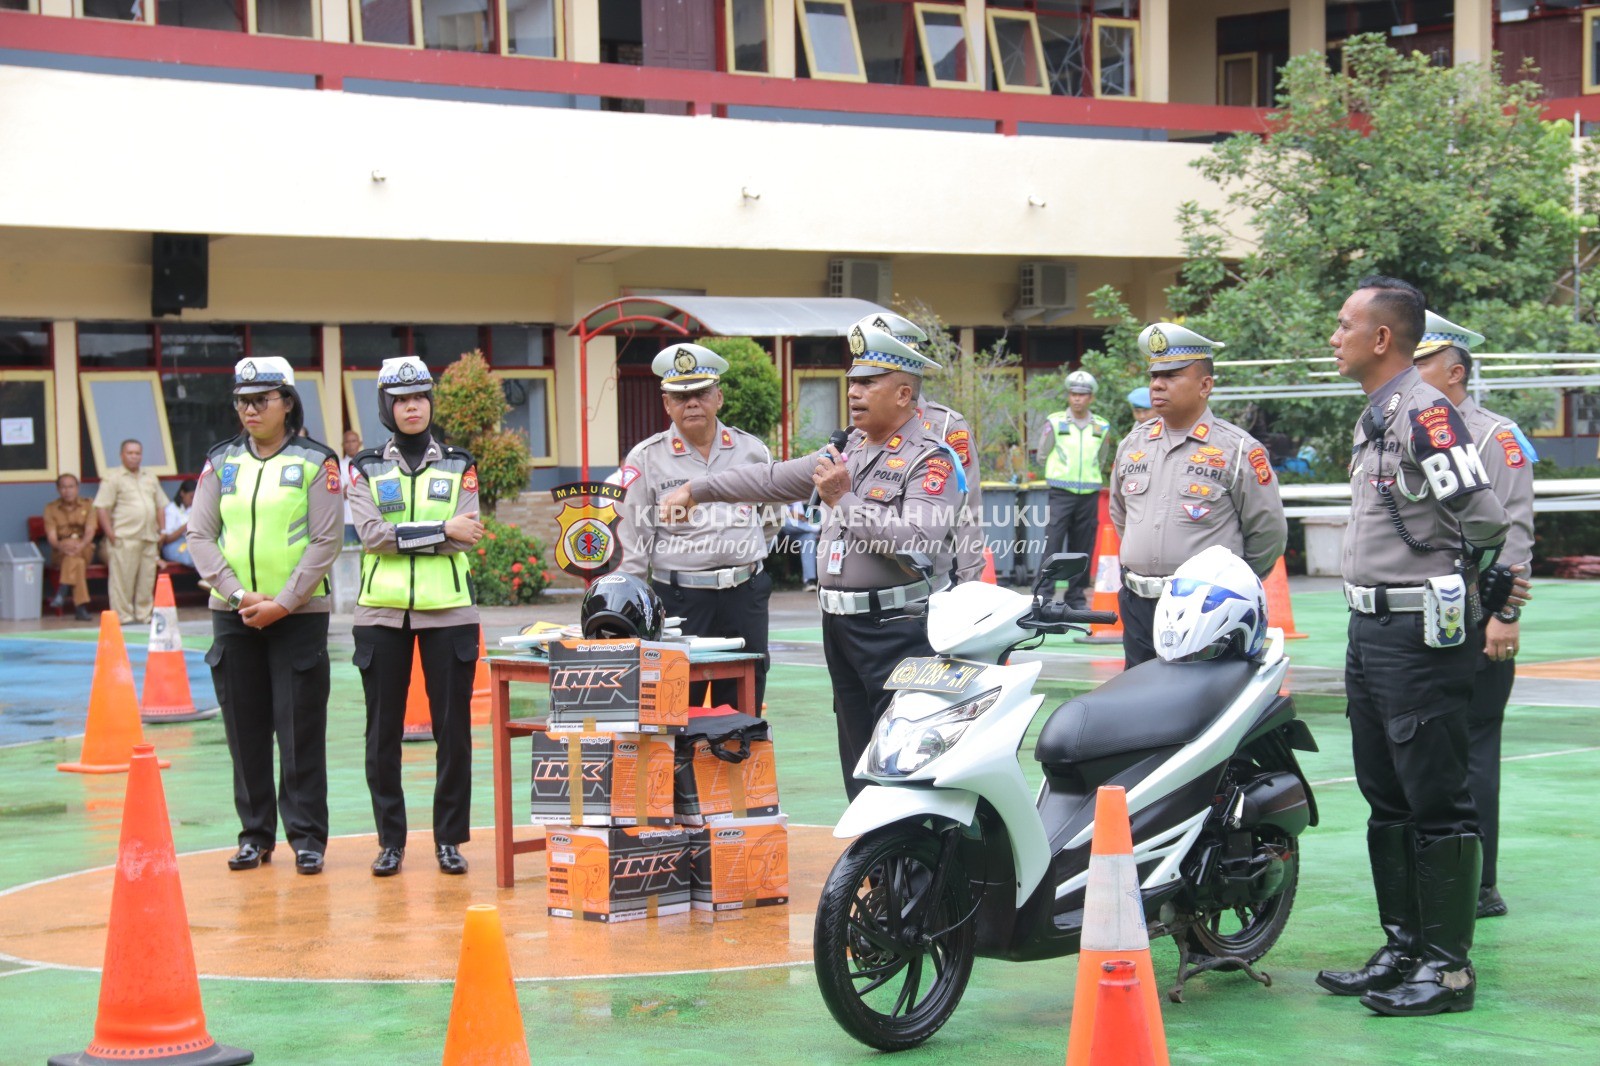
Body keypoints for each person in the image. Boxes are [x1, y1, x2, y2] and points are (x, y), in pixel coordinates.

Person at [1315, 277, 1509, 1018]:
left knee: (1436, 798)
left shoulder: (1425, 414)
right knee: (1387, 797)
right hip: (1372, 628)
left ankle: (1448, 970)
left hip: (1419, 632)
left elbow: (1483, 517)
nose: (1334, 336)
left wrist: (1458, 576)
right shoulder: (1378, 416)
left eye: (1344, 324)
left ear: (1381, 338)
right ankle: (1403, 947)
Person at [659, 323, 961, 797]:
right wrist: (698, 489)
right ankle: (874, 868)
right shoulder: (851, 448)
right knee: (857, 757)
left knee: (901, 757)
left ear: (904, 393)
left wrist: (843, 499)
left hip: (898, 629)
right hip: (842, 630)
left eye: (868, 383)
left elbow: (916, 541)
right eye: (852, 383)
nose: (853, 392)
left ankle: (915, 868)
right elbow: (772, 478)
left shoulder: (932, 459)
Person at [188, 357, 341, 876]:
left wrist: (282, 602)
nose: (249, 410)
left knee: (299, 730)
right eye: (241, 401)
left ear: (288, 402)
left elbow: (326, 541)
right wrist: (237, 596)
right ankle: (255, 835)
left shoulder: (316, 462)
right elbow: (199, 535)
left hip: (297, 615)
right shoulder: (220, 461)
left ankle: (307, 838)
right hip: (234, 615)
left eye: (261, 400)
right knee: (245, 730)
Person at [1411, 310, 1534, 921]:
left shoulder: (1494, 437)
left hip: (1478, 610)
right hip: (1420, 613)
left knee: (1476, 748)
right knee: (1423, 748)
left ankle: (1479, 882)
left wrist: (1505, 613)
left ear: (1454, 372)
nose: (1409, 372)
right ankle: (1428, 869)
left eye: (1422, 362)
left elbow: (1513, 533)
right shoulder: (1402, 426)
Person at [348, 356, 485, 878]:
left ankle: (449, 840)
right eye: (402, 399)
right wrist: (439, 532)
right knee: (381, 735)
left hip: (448, 613)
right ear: (387, 405)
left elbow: (468, 530)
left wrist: (413, 536)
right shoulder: (364, 466)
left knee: (453, 734)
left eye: (421, 397)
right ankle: (391, 842)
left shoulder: (459, 462)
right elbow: (370, 536)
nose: (413, 407)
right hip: (380, 616)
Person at [1108, 323, 1286, 668]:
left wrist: (1230, 588)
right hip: (1138, 606)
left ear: (1205, 385)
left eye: (1172, 375)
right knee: (1139, 709)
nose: (1157, 384)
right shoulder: (1133, 445)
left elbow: (1269, 533)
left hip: (1207, 609)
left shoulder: (1237, 450)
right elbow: (1122, 516)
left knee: (1198, 711)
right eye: (1155, 375)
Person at [614, 343, 773, 710]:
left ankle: (733, 767)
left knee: (742, 706)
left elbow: (770, 519)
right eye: (681, 396)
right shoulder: (646, 458)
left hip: (744, 596)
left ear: (718, 396)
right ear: (666, 404)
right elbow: (632, 540)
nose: (692, 404)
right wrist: (629, 609)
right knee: (675, 708)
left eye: (700, 393)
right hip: (679, 601)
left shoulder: (753, 452)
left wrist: (742, 557)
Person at [863, 312, 986, 585]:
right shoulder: (862, 429)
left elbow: (967, 511)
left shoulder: (945, 427)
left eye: (876, 375)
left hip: (929, 578)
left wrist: (970, 583)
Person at [1035, 369, 1110, 607]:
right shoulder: (1055, 422)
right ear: (1068, 396)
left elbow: (1103, 457)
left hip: (1089, 493)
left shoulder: (1102, 426)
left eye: (1083, 394)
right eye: (1073, 394)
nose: (1077, 398)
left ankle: (1076, 596)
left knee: (1083, 547)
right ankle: (1043, 594)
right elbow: (1042, 454)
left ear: (1091, 398)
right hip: (1060, 492)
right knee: (1053, 544)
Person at [94, 438, 168, 625]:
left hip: (149, 537)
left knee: (147, 579)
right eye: (130, 453)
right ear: (121, 455)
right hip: (124, 537)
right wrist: (110, 533)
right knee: (122, 581)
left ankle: (145, 615)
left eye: (137, 453)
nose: (134, 457)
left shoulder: (150, 477)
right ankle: (123, 616)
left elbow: (160, 505)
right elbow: (102, 508)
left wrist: (163, 530)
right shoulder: (113, 478)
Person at [43, 473, 97, 622]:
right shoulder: (51, 508)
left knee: (75, 557)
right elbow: (52, 537)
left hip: (84, 547)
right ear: (58, 489)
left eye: (71, 487)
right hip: (61, 550)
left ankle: (62, 591)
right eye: (63, 487)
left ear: (77, 488)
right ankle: (80, 608)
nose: (68, 491)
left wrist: (80, 545)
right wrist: (62, 547)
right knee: (76, 562)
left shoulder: (88, 505)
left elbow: (90, 531)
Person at [779, 501, 821, 591]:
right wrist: (791, 514)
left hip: (796, 531)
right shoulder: (777, 493)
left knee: (809, 537)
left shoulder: (798, 500)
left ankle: (809, 580)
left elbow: (802, 517)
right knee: (783, 521)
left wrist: (797, 516)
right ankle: (816, 529)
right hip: (777, 530)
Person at [160, 478, 196, 566]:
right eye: (191, 497)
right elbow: (167, 539)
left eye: (196, 497)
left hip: (192, 542)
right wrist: (186, 526)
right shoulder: (172, 509)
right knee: (193, 557)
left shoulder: (195, 508)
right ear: (182, 493)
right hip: (174, 544)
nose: (193, 500)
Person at [339, 428, 363, 547]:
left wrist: (350, 488)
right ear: (343, 445)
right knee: (349, 558)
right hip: (347, 520)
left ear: (360, 443)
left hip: (366, 519)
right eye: (347, 442)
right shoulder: (338, 465)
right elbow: (339, 493)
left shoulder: (366, 464)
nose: (351, 444)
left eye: (353, 441)